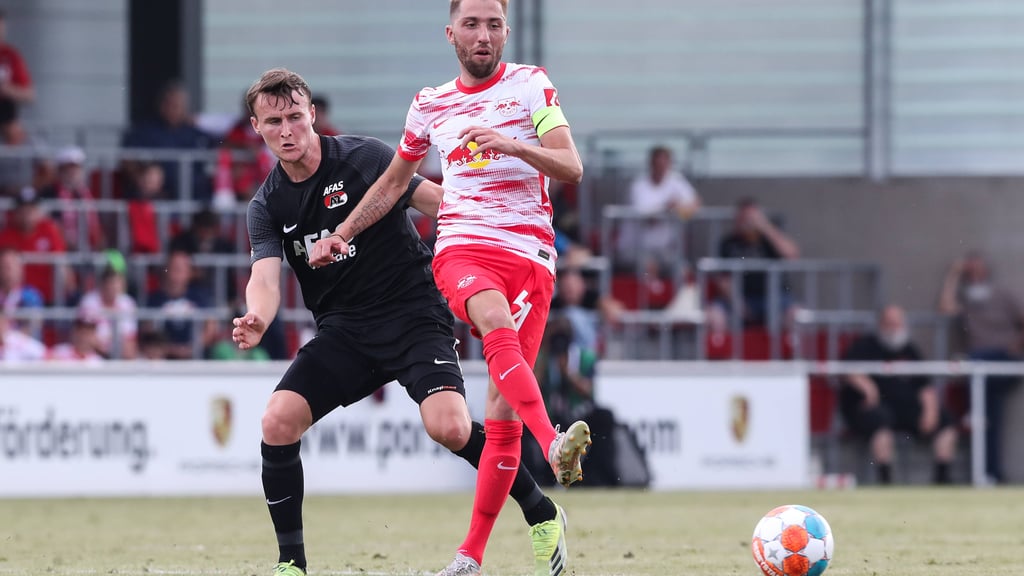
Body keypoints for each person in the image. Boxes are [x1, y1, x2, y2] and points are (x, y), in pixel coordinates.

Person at [233, 68, 569, 576]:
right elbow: (264, 276)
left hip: (414, 314)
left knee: (450, 427)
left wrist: (495, 225)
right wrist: (257, 316)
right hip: (344, 331)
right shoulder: (267, 204)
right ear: (256, 127)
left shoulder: (363, 157)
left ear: (312, 115)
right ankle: (291, 565)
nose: (287, 130)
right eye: (274, 121)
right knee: (277, 422)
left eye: (295, 117)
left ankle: (542, 512)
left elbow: (434, 199)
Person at [308, 2, 592, 574]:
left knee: (500, 419)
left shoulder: (531, 86)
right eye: (471, 24)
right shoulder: (430, 103)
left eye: (493, 24)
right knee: (492, 319)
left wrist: (514, 146)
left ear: (506, 31)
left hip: (530, 255)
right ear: (450, 34)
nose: (483, 35)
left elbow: (571, 167)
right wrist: (343, 231)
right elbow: (394, 182)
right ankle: (555, 440)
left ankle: (472, 554)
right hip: (462, 246)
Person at [840, 305, 958, 485]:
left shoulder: (910, 350)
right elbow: (848, 371)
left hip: (906, 409)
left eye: (898, 323)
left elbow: (925, 387)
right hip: (876, 408)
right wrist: (869, 388)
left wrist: (930, 411)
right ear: (881, 324)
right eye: (890, 323)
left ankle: (942, 477)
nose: (894, 328)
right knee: (880, 421)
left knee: (946, 421)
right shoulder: (865, 346)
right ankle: (885, 480)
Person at [938, 251, 1023, 484]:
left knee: (984, 413)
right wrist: (953, 275)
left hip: (1001, 359)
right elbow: (945, 308)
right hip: (979, 366)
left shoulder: (1003, 293)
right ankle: (991, 473)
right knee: (989, 418)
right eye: (969, 267)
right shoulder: (967, 298)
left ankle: (971, 416)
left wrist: (1015, 346)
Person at [714, 197, 800, 327]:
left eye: (752, 218)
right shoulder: (728, 243)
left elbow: (792, 255)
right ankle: (719, 347)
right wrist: (737, 303)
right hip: (742, 298)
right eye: (744, 218)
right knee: (713, 315)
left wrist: (766, 228)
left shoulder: (770, 240)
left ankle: (791, 347)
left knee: (797, 315)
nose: (748, 223)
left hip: (775, 297)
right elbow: (723, 279)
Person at [122, 80, 214, 201]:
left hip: (195, 197)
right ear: (161, 104)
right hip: (158, 196)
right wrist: (141, 177)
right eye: (170, 103)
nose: (173, 108)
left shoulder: (196, 134)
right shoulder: (144, 131)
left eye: (178, 105)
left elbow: (219, 152)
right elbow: (127, 158)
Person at [616, 145, 701, 271]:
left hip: (665, 250)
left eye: (664, 164)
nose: (661, 168)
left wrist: (680, 208)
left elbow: (696, 203)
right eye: (658, 164)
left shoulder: (676, 180)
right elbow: (649, 219)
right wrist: (667, 208)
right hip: (636, 248)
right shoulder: (639, 186)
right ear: (651, 164)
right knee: (649, 268)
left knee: (684, 270)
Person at [0, 186, 72, 304]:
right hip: (16, 300)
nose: (27, 214)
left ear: (38, 211)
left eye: (31, 209)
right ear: (16, 212)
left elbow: (62, 263)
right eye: (23, 209)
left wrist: (68, 288)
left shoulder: (49, 229)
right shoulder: (6, 236)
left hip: (48, 297)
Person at [145, 250, 217, 359]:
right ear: (167, 270)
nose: (177, 273)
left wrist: (191, 349)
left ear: (190, 272)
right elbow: (148, 329)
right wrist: (170, 349)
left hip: (196, 356)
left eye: (182, 269)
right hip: (163, 357)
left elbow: (211, 328)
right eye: (175, 268)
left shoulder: (200, 297)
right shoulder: (155, 299)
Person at [40, 146, 106, 252]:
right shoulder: (49, 193)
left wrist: (98, 242)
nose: (73, 172)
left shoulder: (86, 193)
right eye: (68, 168)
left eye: (76, 168)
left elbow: (95, 223)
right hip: (61, 248)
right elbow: (50, 224)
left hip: (88, 248)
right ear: (60, 170)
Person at [77, 264, 138, 359]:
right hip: (94, 350)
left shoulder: (127, 303)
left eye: (117, 283)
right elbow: (85, 334)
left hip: (118, 348)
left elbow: (129, 336)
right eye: (111, 283)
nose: (114, 287)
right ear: (103, 284)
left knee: (130, 350)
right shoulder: (89, 302)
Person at [0, 9, 34, 140]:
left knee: (16, 133)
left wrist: (7, 90)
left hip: (6, 114)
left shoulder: (11, 56)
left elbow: (29, 94)